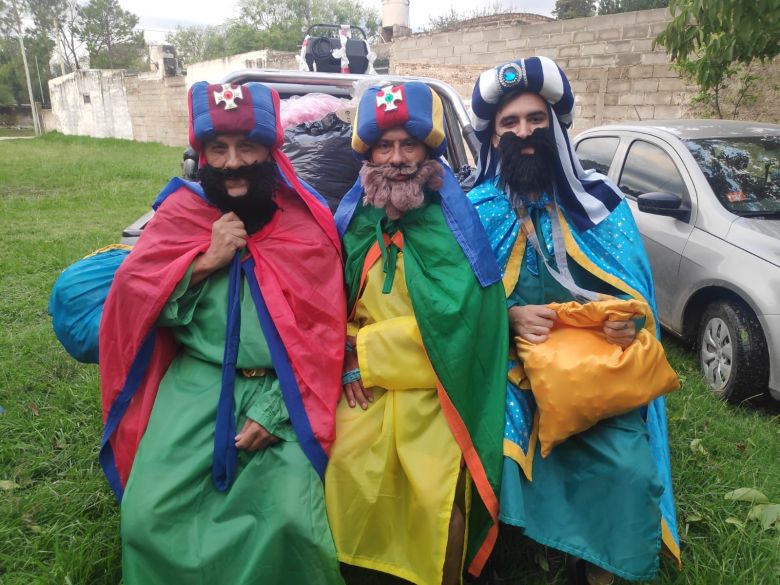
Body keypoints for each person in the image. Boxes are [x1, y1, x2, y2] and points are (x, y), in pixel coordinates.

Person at [98, 81, 346, 585]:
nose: (233, 163)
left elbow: (324, 335)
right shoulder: (180, 218)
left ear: (270, 151)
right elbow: (134, 307)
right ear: (202, 157)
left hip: (288, 391)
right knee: (149, 515)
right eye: (218, 150)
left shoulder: (307, 225)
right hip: (196, 385)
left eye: (246, 147)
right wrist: (206, 261)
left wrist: (277, 410)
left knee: (291, 521)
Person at [467, 57, 682, 584]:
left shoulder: (603, 206)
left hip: (591, 370)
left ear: (558, 127)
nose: (524, 133)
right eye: (510, 123)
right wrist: (508, 317)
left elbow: (635, 301)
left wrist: (622, 323)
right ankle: (484, 556)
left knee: (627, 467)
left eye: (536, 120)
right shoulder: (472, 211)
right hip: (504, 366)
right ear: (493, 138)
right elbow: (453, 309)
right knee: (485, 450)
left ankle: (595, 569)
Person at [324, 82, 508, 585]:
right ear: (368, 153)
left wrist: (367, 350)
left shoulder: (456, 225)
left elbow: (461, 321)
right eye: (386, 146)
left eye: (410, 145)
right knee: (342, 465)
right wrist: (343, 353)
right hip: (362, 385)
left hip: (434, 387)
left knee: (436, 496)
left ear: (430, 152)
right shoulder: (353, 220)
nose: (399, 159)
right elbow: (327, 302)